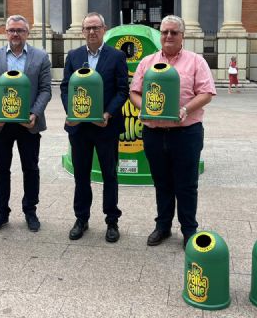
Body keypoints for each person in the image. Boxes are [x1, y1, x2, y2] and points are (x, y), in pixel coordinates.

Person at [129, 15, 216, 249]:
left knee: (186, 184)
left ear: (182, 36)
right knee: (162, 182)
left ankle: (189, 230)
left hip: (186, 133)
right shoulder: (147, 62)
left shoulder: (196, 61)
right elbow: (134, 92)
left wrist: (186, 109)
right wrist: (144, 108)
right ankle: (163, 226)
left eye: (173, 32)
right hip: (154, 133)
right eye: (165, 32)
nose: (168, 36)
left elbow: (207, 93)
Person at [60, 12, 129, 243]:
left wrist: (108, 113)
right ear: (82, 31)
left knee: (110, 174)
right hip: (79, 128)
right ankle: (81, 219)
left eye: (96, 27)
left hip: (105, 126)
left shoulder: (117, 56)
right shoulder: (73, 55)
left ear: (104, 29)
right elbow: (65, 88)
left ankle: (112, 221)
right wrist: (71, 113)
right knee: (81, 175)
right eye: (88, 28)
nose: (92, 32)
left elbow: (122, 90)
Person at [0, 15, 51, 234]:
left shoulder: (40, 57)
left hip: (28, 124)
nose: (15, 34)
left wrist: (35, 114)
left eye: (20, 30)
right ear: (6, 32)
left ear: (27, 33)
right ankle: (1, 213)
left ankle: (30, 210)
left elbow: (45, 89)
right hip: (0, 125)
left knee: (30, 168)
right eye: (11, 30)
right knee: (1, 170)